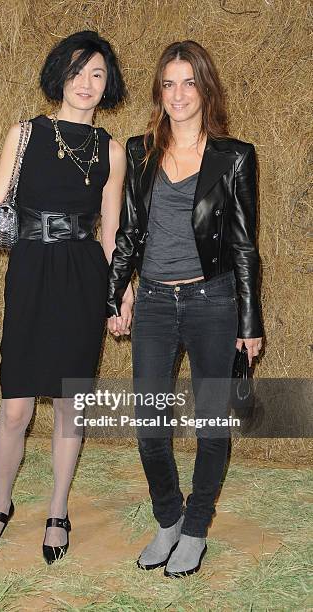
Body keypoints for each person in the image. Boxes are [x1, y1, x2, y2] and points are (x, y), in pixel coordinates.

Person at [0, 30, 127, 564]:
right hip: (29, 272)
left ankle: (58, 509)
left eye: (97, 73)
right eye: (77, 71)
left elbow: (113, 233)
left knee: (72, 405)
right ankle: (0, 503)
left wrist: (118, 296)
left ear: (108, 85)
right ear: (60, 75)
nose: (86, 82)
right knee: (15, 407)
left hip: (84, 277)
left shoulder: (112, 150)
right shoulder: (26, 133)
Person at [107, 40, 263, 577]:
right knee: (150, 425)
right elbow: (128, 232)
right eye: (168, 84)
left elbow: (244, 245)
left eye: (188, 82)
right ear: (160, 92)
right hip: (151, 300)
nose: (178, 94)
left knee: (211, 423)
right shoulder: (140, 150)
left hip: (212, 301)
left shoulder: (235, 156)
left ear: (205, 88)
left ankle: (196, 529)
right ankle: (168, 518)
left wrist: (249, 321)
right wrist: (114, 295)